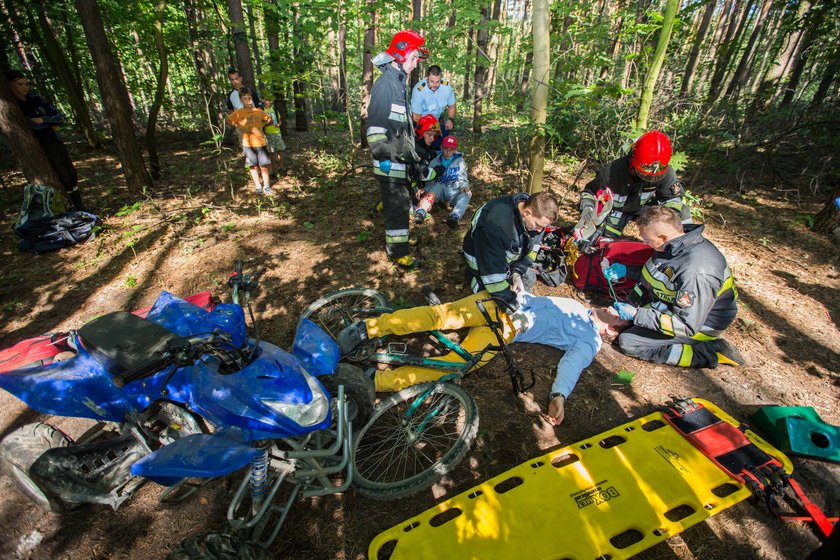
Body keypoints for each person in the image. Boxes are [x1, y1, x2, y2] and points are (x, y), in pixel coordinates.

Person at [337, 291, 629, 425]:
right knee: (439, 316)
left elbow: (573, 364)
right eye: (618, 327)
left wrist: (559, 395)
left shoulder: (590, 340)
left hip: (504, 329)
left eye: (617, 334)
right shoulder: (576, 305)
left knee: (452, 367)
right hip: (498, 300)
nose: (613, 334)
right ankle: (368, 328)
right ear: (613, 311)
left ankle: (375, 382)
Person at [612, 206, 745, 368]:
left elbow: (685, 325)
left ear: (663, 236)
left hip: (700, 324)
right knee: (626, 325)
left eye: (646, 239)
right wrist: (626, 271)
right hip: (674, 306)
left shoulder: (696, 271)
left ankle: (708, 352)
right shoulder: (673, 246)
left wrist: (637, 314)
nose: (644, 242)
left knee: (629, 342)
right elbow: (658, 275)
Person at [366, 30, 429, 271]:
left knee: (403, 203)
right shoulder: (387, 86)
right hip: (389, 161)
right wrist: (384, 155)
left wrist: (411, 155)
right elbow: (375, 128)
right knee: (396, 207)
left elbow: (401, 126)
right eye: (414, 58)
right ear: (401, 55)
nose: (415, 64)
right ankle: (398, 253)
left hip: (399, 160)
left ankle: (400, 240)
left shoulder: (398, 83)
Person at [576, 130, 690, 239]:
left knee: (682, 211)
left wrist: (664, 225)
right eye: (644, 171)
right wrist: (588, 208)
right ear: (632, 161)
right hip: (616, 211)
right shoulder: (612, 172)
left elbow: (672, 199)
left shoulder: (665, 172)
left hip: (642, 208)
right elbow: (589, 193)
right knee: (604, 242)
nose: (650, 177)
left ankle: (683, 246)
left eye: (655, 173)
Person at [463, 191, 559, 312]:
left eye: (543, 227)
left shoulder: (536, 218)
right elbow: (493, 273)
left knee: (528, 279)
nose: (540, 231)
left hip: (507, 262)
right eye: (537, 225)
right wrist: (511, 307)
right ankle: (474, 278)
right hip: (483, 265)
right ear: (527, 212)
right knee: (492, 306)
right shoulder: (494, 225)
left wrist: (517, 271)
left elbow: (533, 249)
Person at [5, 70, 83, 210]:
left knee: (71, 173)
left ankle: (79, 205)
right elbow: (32, 125)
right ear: (10, 85)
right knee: (62, 176)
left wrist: (43, 120)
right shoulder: (15, 106)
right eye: (19, 84)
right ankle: (71, 207)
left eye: (26, 83)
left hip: (54, 140)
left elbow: (58, 117)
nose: (24, 87)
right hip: (42, 146)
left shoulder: (36, 100)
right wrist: (45, 123)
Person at [414, 135, 470, 228]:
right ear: (441, 148)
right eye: (445, 149)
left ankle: (454, 217)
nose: (448, 152)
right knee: (437, 186)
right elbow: (430, 181)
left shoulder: (459, 160)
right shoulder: (435, 161)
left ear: (455, 149)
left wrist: (464, 186)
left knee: (467, 194)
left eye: (451, 149)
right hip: (438, 190)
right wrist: (425, 189)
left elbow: (463, 177)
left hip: (453, 189)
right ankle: (421, 212)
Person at [227, 89, 273, 196]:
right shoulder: (238, 113)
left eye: (249, 98)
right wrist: (237, 125)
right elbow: (229, 121)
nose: (248, 100)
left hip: (260, 143)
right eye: (245, 98)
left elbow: (269, 120)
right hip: (247, 144)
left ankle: (266, 186)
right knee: (253, 165)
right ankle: (258, 186)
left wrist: (265, 124)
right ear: (241, 99)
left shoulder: (258, 111)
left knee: (264, 165)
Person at [410, 65, 456, 148]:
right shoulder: (419, 90)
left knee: (446, 130)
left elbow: (452, 105)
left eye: (438, 82)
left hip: (436, 124)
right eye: (432, 81)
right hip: (420, 123)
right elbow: (416, 117)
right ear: (427, 77)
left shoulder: (446, 87)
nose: (435, 85)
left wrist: (450, 119)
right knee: (422, 147)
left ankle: (434, 152)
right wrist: (433, 126)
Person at [262, 98, 285, 172]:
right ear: (263, 101)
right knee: (271, 151)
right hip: (268, 133)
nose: (268, 101)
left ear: (271, 101)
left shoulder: (274, 110)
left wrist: (278, 124)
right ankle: (274, 166)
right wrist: (267, 124)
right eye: (266, 100)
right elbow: (261, 123)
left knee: (280, 149)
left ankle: (281, 165)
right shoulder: (262, 111)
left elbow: (280, 121)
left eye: (269, 100)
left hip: (277, 132)